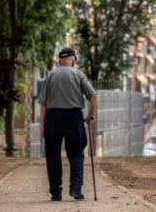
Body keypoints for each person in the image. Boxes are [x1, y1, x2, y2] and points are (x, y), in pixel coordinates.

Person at [38, 47, 98, 201]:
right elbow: (94, 97)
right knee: (77, 152)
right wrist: (90, 116)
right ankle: (76, 188)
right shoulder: (78, 74)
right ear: (74, 60)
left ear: (59, 61)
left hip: (53, 116)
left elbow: (43, 105)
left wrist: (43, 125)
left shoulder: (50, 75)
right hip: (74, 116)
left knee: (53, 154)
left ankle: (55, 192)